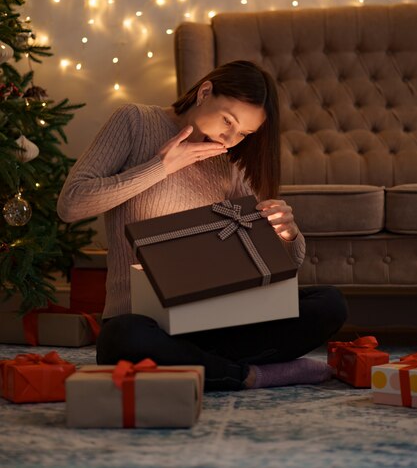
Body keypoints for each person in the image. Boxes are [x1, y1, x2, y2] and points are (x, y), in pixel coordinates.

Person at [57, 60, 347, 391]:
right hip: (144, 321)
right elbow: (71, 204)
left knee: (329, 302)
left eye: (245, 133)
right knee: (121, 339)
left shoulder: (227, 163)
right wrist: (160, 167)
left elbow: (286, 263)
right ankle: (251, 375)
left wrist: (288, 233)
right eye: (229, 121)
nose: (232, 138)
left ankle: (204, 366)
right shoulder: (134, 121)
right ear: (205, 92)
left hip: (214, 321)